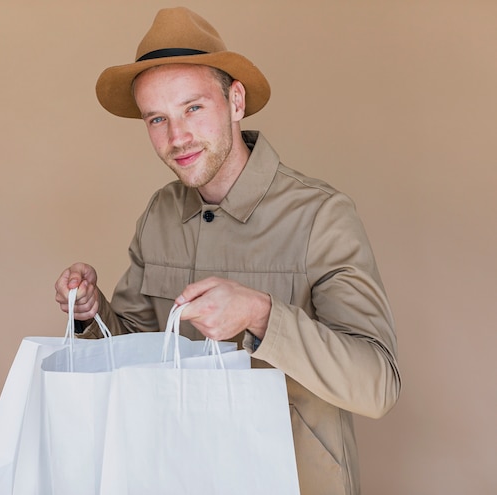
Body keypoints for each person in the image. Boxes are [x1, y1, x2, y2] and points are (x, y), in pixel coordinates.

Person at [54, 7, 400, 495]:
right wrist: (90, 315)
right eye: (158, 118)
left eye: (193, 108)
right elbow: (134, 345)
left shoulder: (321, 215)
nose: (177, 138)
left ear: (235, 101)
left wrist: (261, 315)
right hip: (170, 475)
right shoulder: (159, 213)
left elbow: (377, 384)